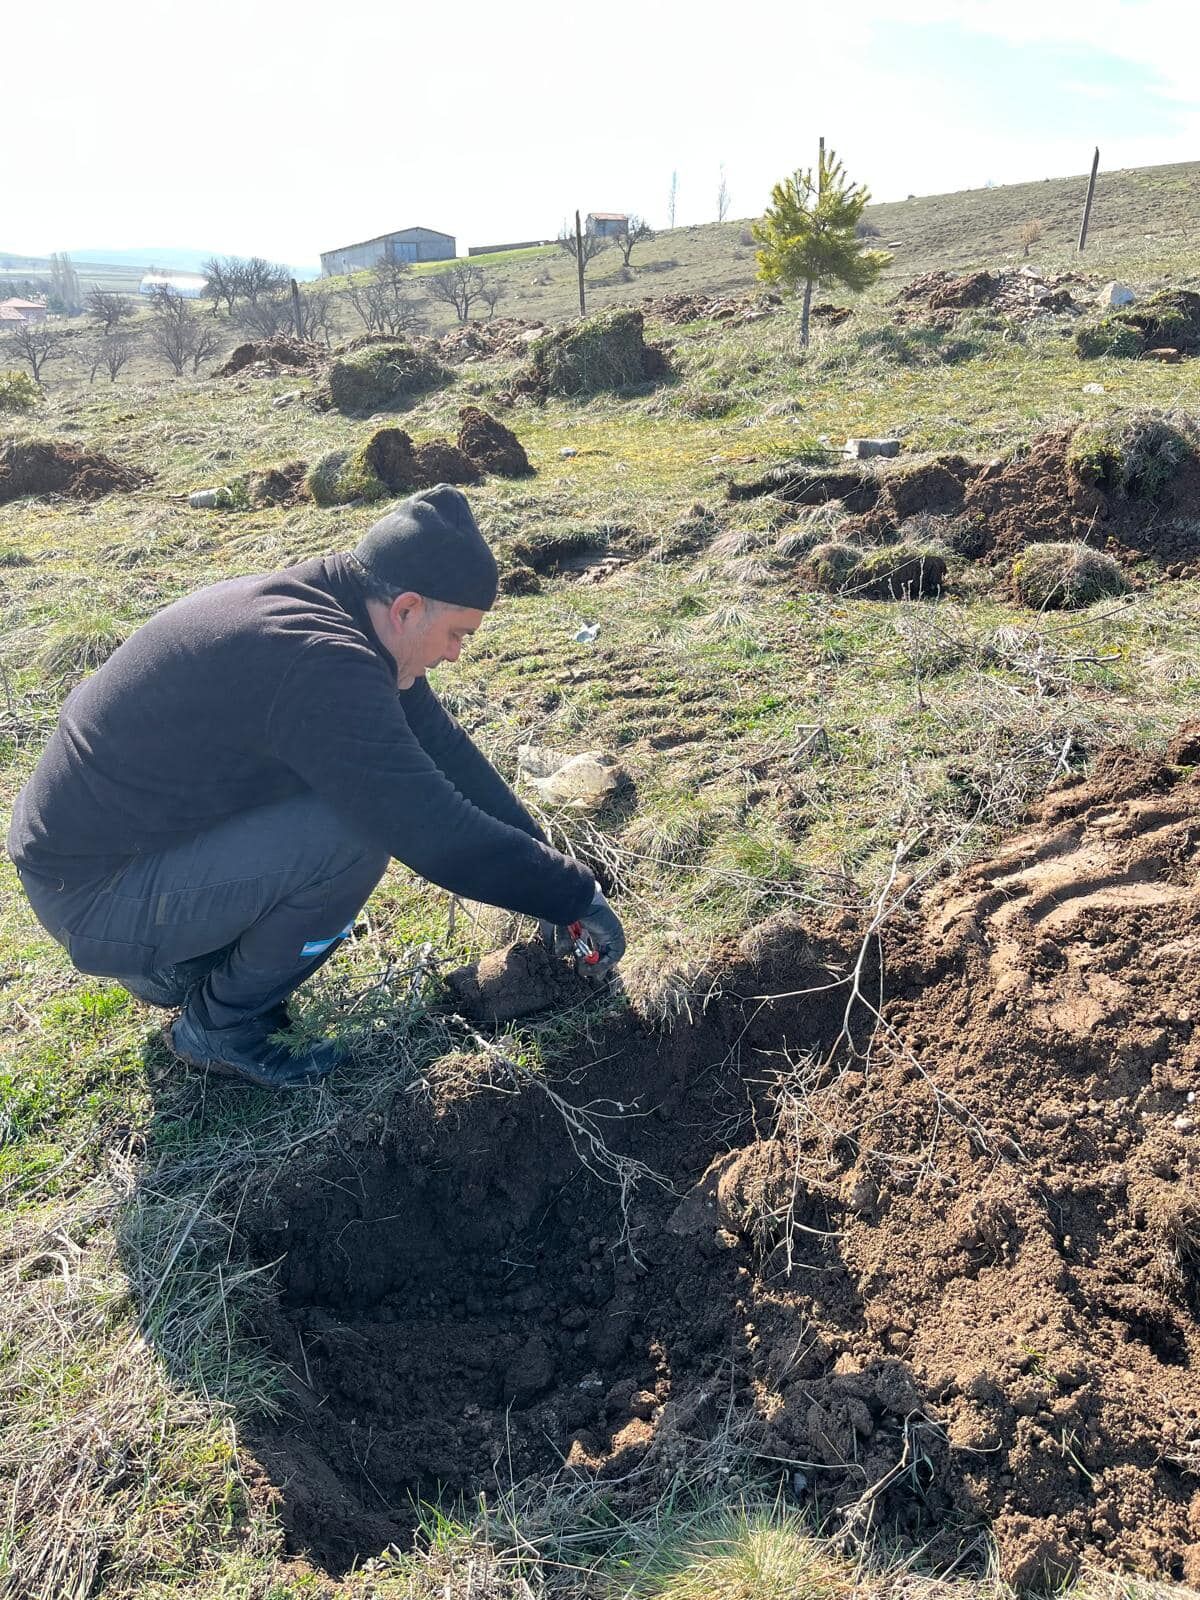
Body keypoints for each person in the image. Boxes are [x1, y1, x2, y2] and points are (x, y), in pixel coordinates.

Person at [6, 484, 625, 1090]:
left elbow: (444, 752)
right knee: (349, 836)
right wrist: (570, 896)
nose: (457, 654)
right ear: (408, 608)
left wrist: (545, 860)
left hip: (119, 858)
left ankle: (177, 966)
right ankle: (219, 1025)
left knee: (326, 809)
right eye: (458, 634)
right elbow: (430, 827)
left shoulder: (337, 610)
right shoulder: (317, 660)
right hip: (93, 895)